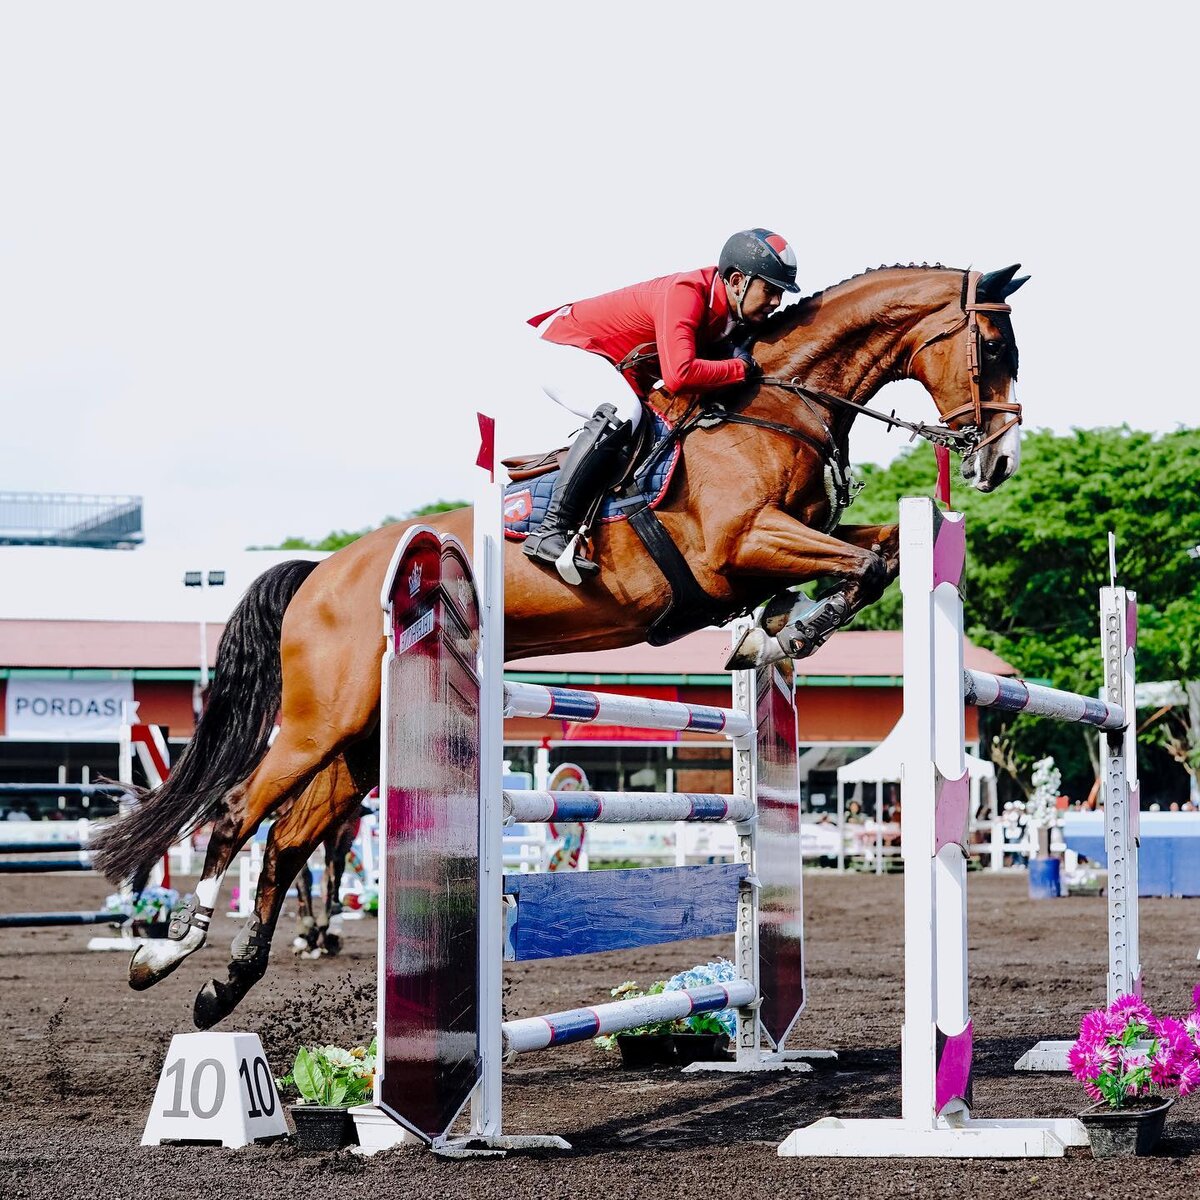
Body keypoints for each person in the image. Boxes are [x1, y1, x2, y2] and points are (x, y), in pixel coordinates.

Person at [522, 228, 801, 580]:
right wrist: (740, 368)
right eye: (770, 289)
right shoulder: (686, 294)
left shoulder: (733, 317)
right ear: (736, 281)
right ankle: (551, 529)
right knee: (624, 412)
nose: (777, 301)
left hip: (612, 365)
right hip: (564, 347)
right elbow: (680, 375)